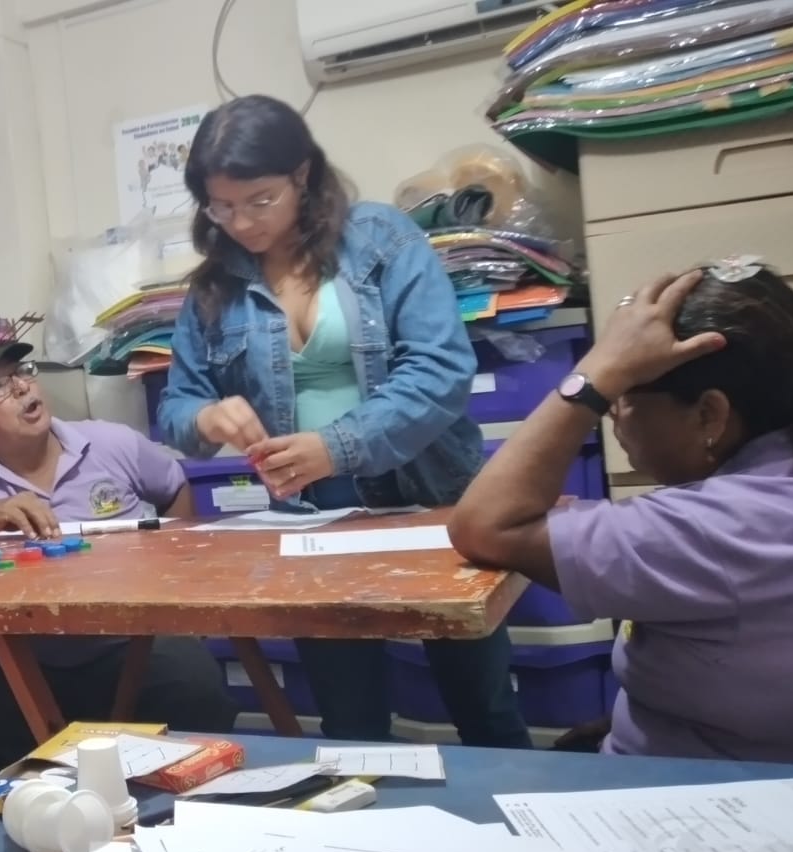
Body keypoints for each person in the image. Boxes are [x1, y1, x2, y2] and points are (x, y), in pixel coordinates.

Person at [158, 94, 530, 748]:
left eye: (260, 200)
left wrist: (338, 446)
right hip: (311, 524)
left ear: (302, 174)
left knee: (484, 708)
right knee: (350, 726)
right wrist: (207, 416)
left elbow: (441, 368)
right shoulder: (214, 288)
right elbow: (175, 408)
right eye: (221, 206)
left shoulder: (381, 239)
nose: (241, 222)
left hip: (431, 501)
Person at [451, 259, 793, 763]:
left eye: (625, 392)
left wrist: (594, 376)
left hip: (688, 793)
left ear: (710, 414)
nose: (612, 410)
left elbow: (486, 524)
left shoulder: (719, 529)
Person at [0, 341, 237, 797]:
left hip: (131, 638)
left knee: (196, 690)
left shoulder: (109, 442)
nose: (21, 388)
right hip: (21, 649)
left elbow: (174, 487)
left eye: (21, 373)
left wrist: (173, 574)